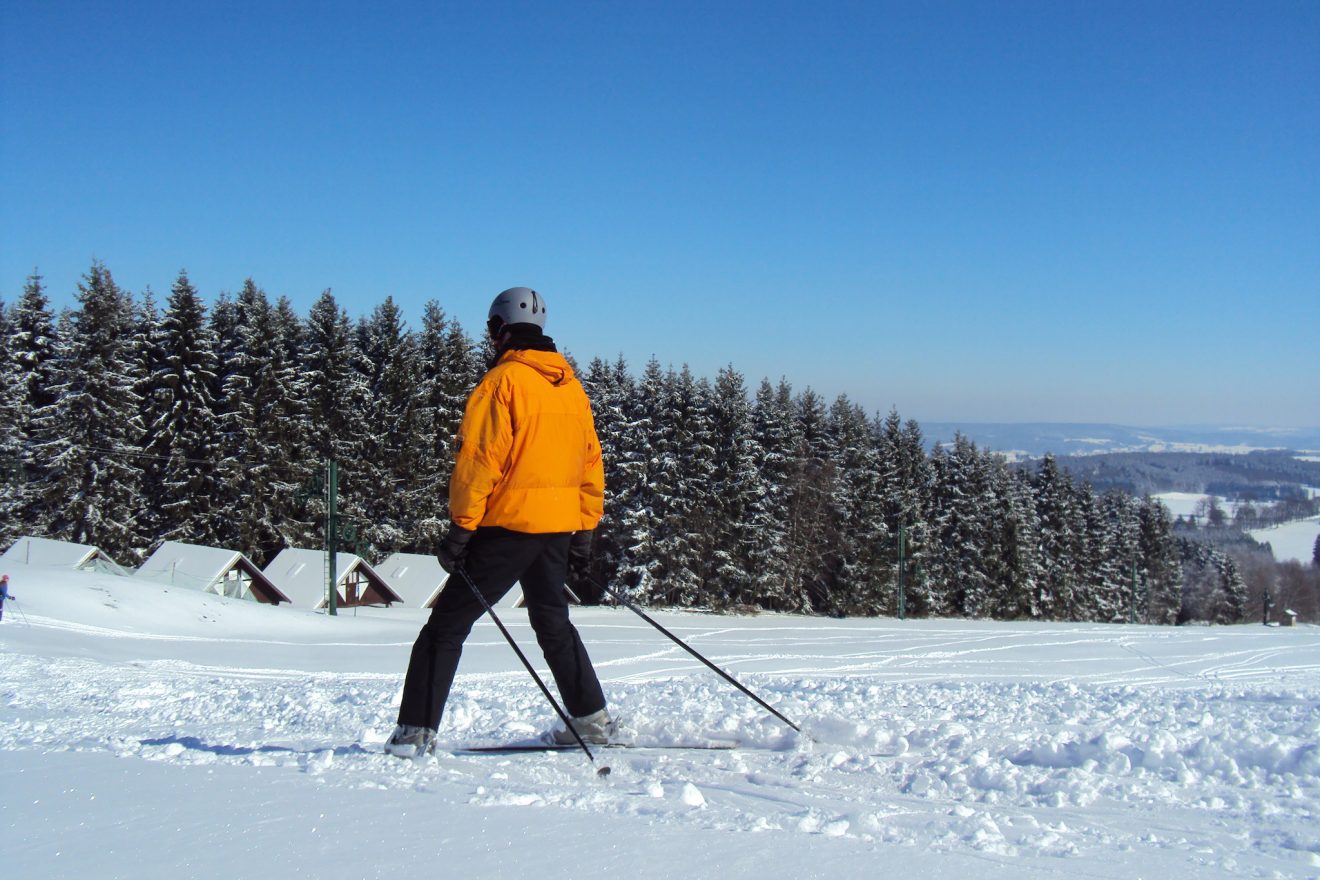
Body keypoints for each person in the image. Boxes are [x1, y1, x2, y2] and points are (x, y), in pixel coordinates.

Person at [386, 287, 611, 758]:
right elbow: (591, 462)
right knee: (552, 623)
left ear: (501, 329)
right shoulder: (570, 387)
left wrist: (461, 530)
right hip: (556, 529)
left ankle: (414, 734)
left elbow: (478, 463)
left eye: (491, 328)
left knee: (446, 627)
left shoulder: (501, 383)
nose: (490, 337)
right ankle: (591, 720)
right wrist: (585, 530)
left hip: (508, 528)